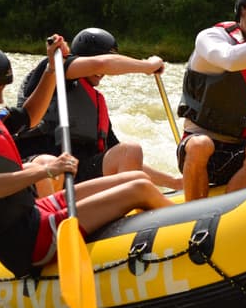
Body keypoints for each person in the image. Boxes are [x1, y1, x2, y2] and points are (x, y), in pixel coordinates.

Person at [0, 39, 174, 278]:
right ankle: (178, 236)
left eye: (1, 90)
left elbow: (30, 115)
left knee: (136, 177)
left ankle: (167, 225)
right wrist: (46, 170)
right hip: (25, 242)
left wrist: (52, 69)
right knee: (138, 188)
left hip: (33, 213)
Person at [14, 27, 182, 194]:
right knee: (48, 163)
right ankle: (48, 216)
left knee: (129, 150)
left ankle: (123, 211)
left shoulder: (94, 103)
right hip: (42, 169)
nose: (102, 73)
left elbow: (123, 158)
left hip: (80, 176)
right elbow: (102, 63)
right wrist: (148, 65)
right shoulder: (53, 68)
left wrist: (173, 182)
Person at [175, 0, 246, 201]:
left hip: (240, 151)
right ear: (240, 12)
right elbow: (229, 60)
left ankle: (228, 214)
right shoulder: (211, 37)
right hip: (198, 145)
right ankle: (194, 213)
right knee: (201, 144)